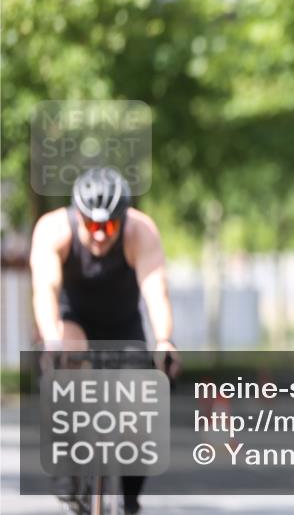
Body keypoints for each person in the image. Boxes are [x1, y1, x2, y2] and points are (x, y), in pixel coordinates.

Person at [30, 167, 180, 514]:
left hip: (123, 325)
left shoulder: (140, 232)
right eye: (91, 225)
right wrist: (51, 339)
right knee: (65, 368)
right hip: (73, 320)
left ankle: (129, 496)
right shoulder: (54, 229)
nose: (99, 235)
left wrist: (164, 340)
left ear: (122, 218)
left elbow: (156, 292)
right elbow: (45, 289)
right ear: (78, 216)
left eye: (109, 226)